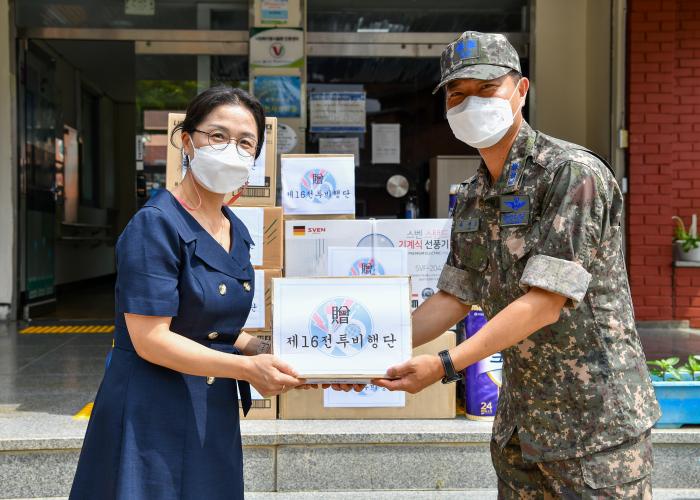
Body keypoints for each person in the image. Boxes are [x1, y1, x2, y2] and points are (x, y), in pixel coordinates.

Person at [374, 31, 661, 498]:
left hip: (596, 426)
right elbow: (455, 295)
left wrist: (445, 364)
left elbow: (546, 302)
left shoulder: (571, 174)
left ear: (521, 89)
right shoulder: (472, 195)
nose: (471, 104)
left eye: (487, 89)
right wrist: (369, 348)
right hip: (522, 426)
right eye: (457, 94)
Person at [70, 86, 304, 500]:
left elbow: (213, 328)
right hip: (150, 409)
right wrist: (249, 370)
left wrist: (274, 348)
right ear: (186, 139)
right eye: (217, 135)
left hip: (210, 407)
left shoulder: (236, 229)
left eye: (245, 142)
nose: (231, 149)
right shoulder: (155, 224)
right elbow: (150, 339)